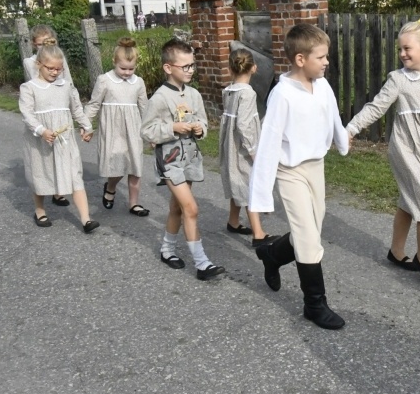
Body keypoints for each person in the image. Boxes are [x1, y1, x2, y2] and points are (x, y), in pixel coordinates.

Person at [345, 18, 420, 281]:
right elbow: (376, 107)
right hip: (406, 148)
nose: (402, 54)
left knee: (410, 201)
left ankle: (396, 251)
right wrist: (350, 128)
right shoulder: (398, 80)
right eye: (400, 49)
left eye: (407, 49)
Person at [249, 23, 349, 330]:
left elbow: (333, 116)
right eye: (321, 57)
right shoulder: (282, 95)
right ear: (300, 59)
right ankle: (314, 305)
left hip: (315, 167)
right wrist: (260, 196)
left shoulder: (322, 85)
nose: (327, 61)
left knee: (311, 230)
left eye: (327, 56)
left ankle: (273, 256)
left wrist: (342, 141)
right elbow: (268, 144)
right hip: (289, 171)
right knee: (307, 237)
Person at [140, 38, 225, 281]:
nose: (190, 70)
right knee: (191, 208)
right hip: (170, 160)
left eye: (192, 65)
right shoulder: (159, 97)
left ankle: (167, 250)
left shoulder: (194, 94)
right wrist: (173, 127)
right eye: (184, 66)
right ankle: (202, 263)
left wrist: (200, 129)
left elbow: (204, 122)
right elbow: (146, 130)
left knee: (177, 207)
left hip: (190, 158)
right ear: (168, 68)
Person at [19, 38, 99, 233]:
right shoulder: (29, 88)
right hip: (41, 140)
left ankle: (86, 219)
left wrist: (86, 126)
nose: (55, 72)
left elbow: (76, 109)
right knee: (41, 174)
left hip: (65, 139)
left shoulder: (66, 86)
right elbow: (27, 114)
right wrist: (42, 131)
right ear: (39, 65)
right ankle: (40, 210)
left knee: (75, 175)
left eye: (59, 69)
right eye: (50, 69)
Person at [84, 37, 150, 217]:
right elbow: (94, 104)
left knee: (135, 166)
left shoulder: (139, 83)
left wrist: (152, 134)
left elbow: (145, 108)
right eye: (123, 68)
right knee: (116, 165)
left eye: (131, 68)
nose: (127, 72)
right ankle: (111, 187)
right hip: (113, 130)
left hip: (133, 129)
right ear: (114, 62)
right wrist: (86, 125)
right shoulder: (104, 80)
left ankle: (134, 203)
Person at [220, 48, 276, 246]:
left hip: (231, 146)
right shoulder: (248, 94)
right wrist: (253, 151)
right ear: (254, 68)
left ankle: (233, 221)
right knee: (249, 187)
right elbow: (243, 125)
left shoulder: (228, 91)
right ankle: (258, 234)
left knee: (238, 181)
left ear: (230, 69)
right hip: (243, 148)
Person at [23, 24, 75, 207]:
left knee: (60, 153)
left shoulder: (59, 60)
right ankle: (44, 197)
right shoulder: (31, 61)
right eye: (40, 44)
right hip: (43, 109)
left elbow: (66, 78)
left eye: (47, 43)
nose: (43, 47)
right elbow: (37, 76)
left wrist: (73, 101)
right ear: (33, 45)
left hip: (59, 107)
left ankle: (59, 191)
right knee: (44, 157)